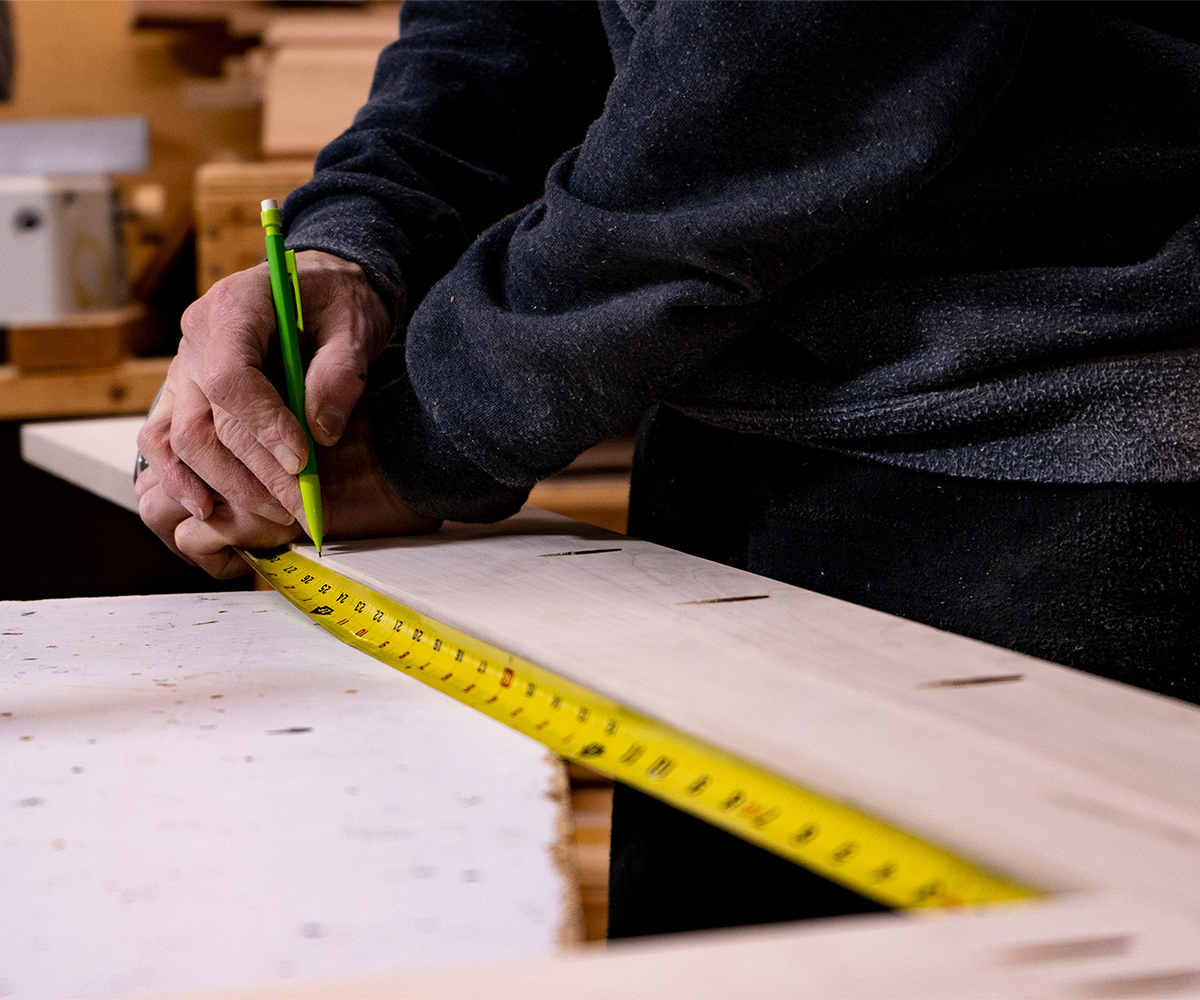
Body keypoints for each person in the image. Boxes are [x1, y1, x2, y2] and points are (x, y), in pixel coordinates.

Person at [137, 2, 1200, 936]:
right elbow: (514, 22)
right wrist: (360, 241)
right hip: (729, 448)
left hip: (1052, 452)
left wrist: (430, 427)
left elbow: (790, 72)